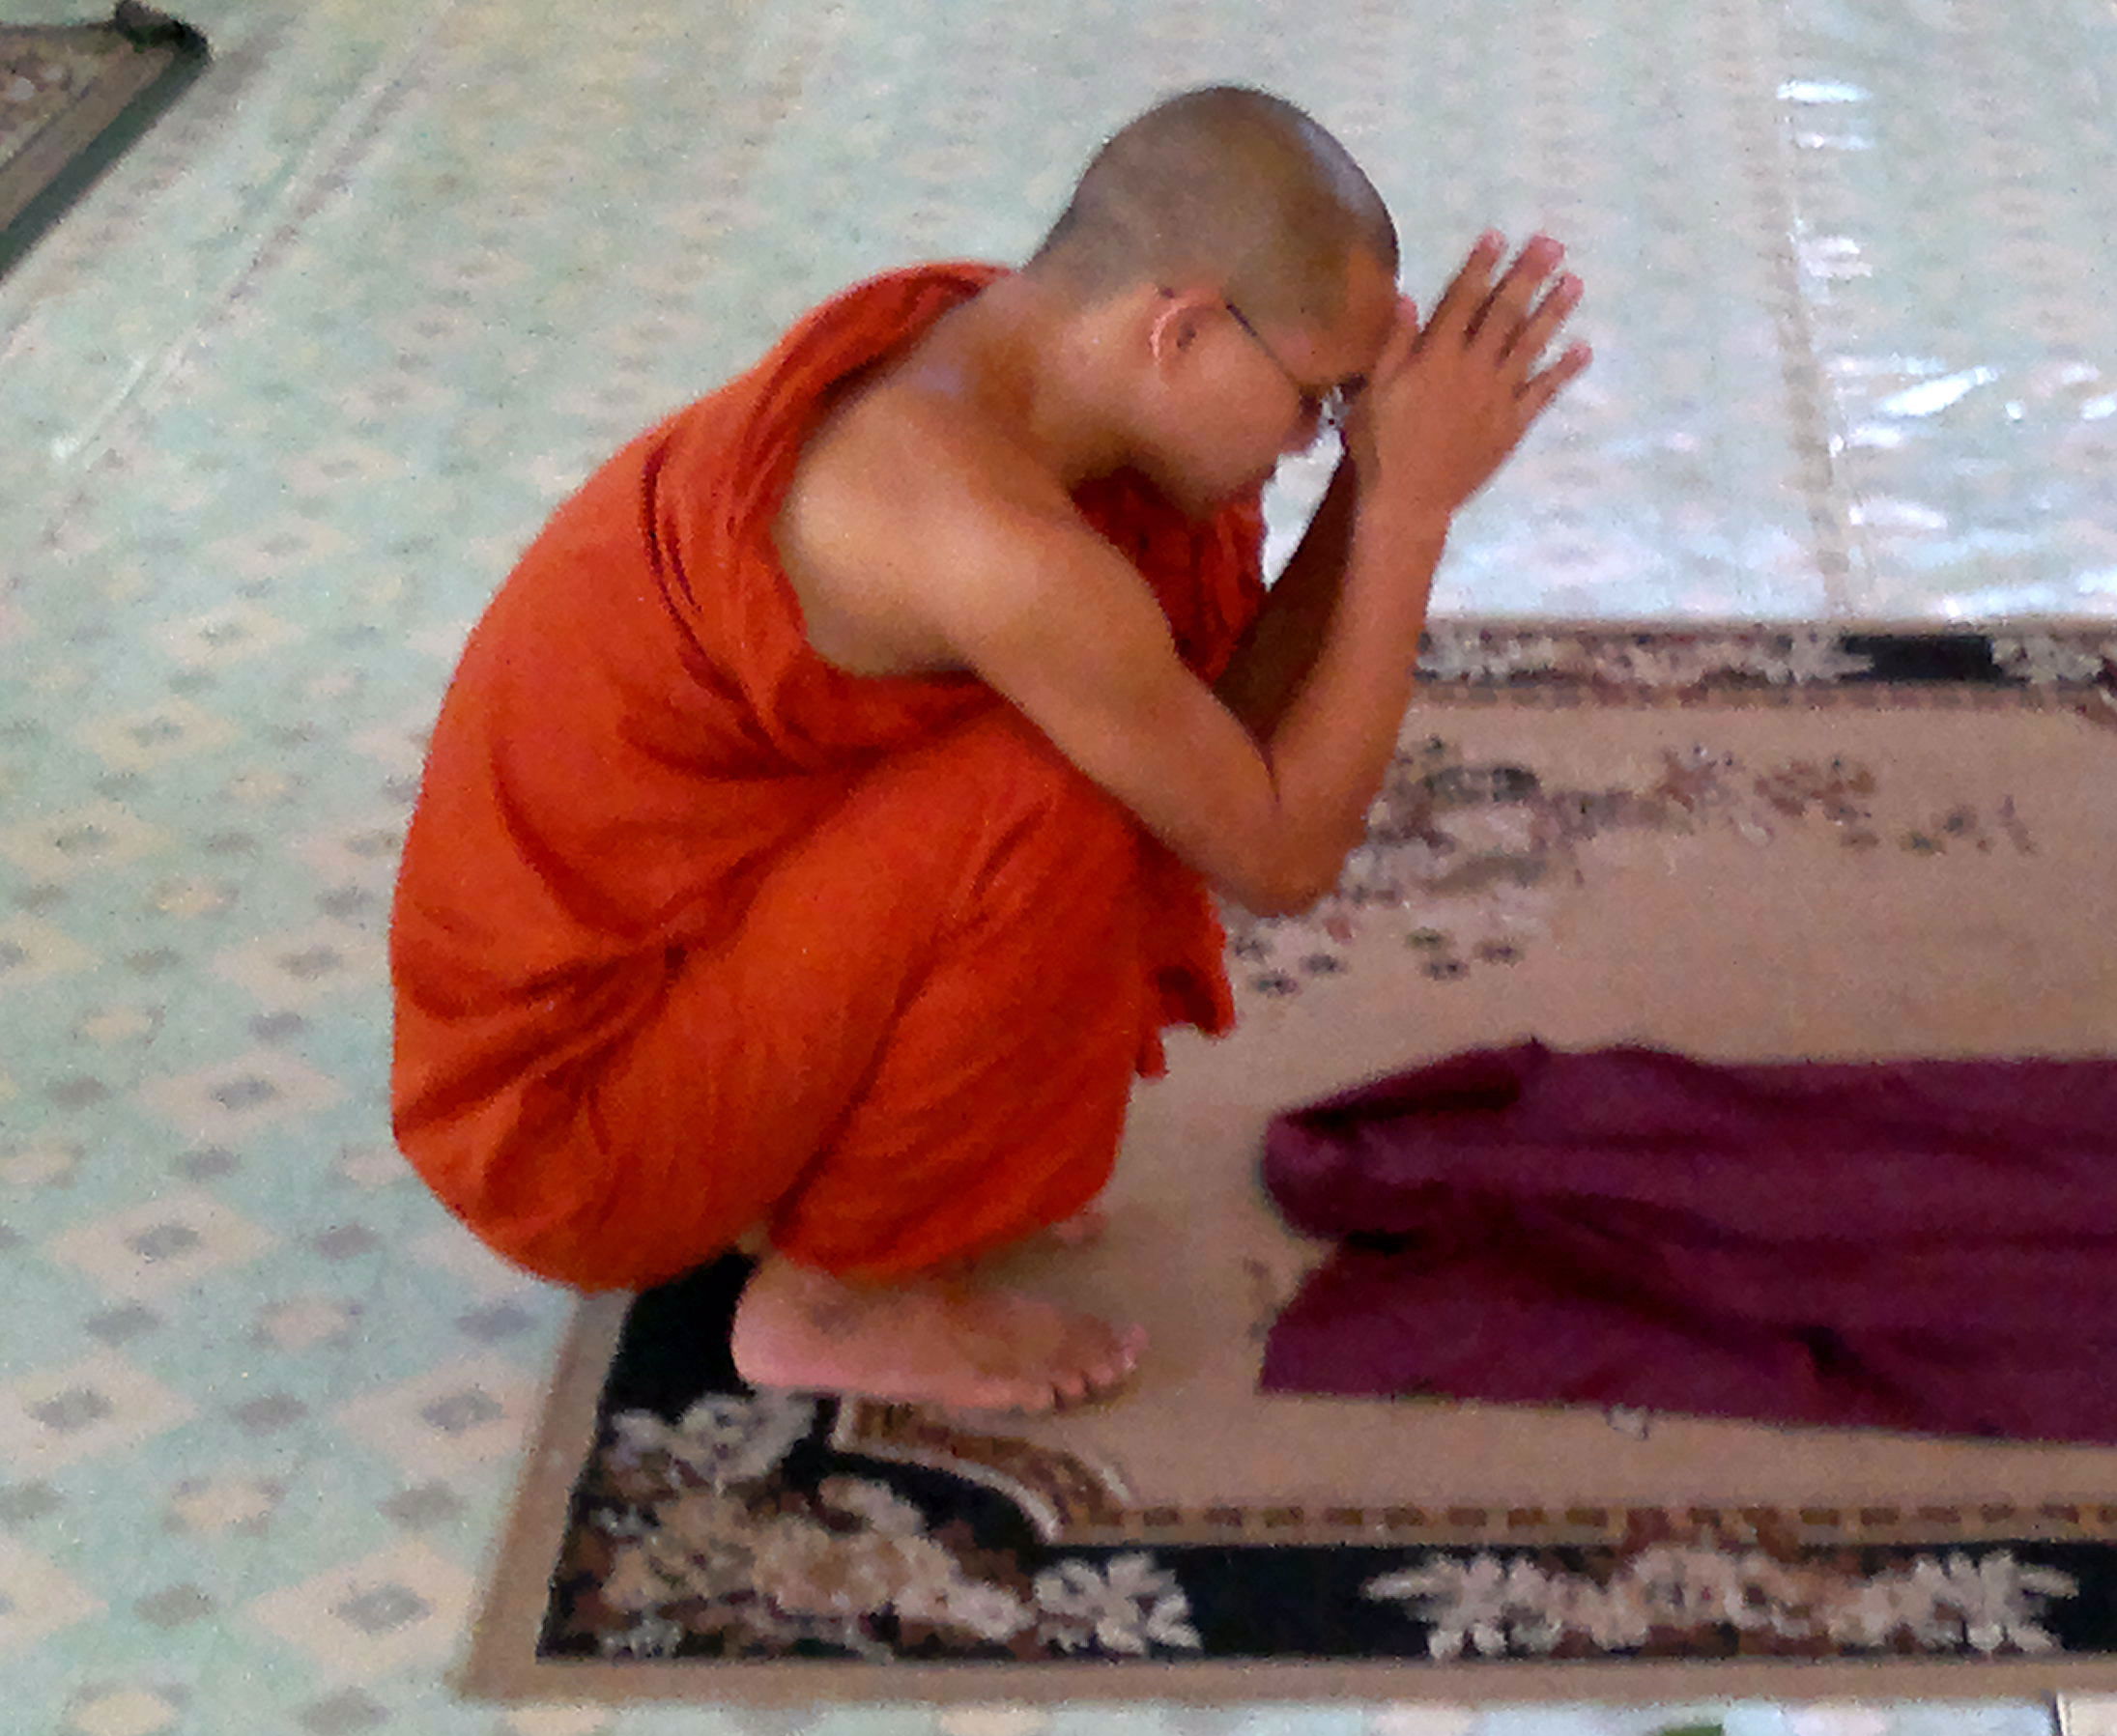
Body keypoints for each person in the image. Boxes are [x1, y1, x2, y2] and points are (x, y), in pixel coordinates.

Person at [388, 86, 1588, 1414]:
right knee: (1044, 797)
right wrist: (1408, 511)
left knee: (1117, 741)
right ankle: (838, 1300)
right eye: (1318, 403)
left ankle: (855, 1167)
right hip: (571, 1124)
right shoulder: (982, 534)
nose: (1315, 442)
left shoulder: (1018, 362)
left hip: (702, 976)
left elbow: (1211, 755)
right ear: (1179, 329)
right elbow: (1279, 847)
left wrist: (1371, 470)